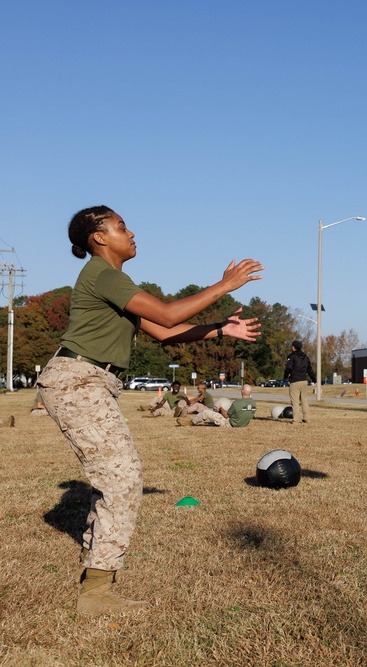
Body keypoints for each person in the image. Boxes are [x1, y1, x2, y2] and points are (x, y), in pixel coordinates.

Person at [36, 205, 263, 614]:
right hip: (77, 381)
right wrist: (223, 285)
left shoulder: (114, 280)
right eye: (122, 226)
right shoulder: (102, 275)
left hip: (90, 381)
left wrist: (219, 328)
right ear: (99, 237)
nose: (132, 232)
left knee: (118, 478)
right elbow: (167, 313)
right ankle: (96, 595)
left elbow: (165, 333)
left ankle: (97, 579)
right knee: (122, 479)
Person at [180, 384, 257, 427]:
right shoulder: (254, 404)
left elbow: (226, 416)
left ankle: (190, 423)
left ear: (242, 391)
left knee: (205, 412)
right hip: (242, 424)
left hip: (229, 424)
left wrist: (221, 409)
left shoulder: (237, 403)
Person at [284, 340, 315, 424]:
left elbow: (288, 368)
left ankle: (296, 419)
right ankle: (307, 418)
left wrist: (285, 376)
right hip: (304, 381)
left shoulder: (291, 356)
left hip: (295, 381)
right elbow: (310, 370)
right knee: (304, 400)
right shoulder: (305, 357)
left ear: (293, 347)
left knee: (295, 401)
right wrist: (314, 379)